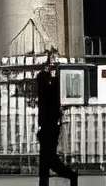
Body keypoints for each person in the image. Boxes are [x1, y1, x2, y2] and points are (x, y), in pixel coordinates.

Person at [35, 51, 78, 186]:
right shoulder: (52, 84)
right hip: (50, 124)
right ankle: (51, 179)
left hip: (49, 124)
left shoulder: (50, 86)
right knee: (46, 158)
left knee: (48, 157)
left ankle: (69, 174)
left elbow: (44, 82)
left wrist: (50, 72)